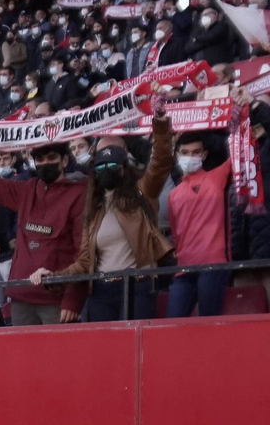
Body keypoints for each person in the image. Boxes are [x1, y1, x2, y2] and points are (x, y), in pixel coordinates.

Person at [28, 111, 174, 321]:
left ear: (124, 168)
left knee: (133, 349)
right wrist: (54, 277)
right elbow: (85, 261)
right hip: (101, 291)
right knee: (104, 351)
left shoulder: (142, 191)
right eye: (101, 167)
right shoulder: (94, 206)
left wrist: (160, 125)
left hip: (136, 286)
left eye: (113, 166)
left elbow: (160, 163)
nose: (107, 170)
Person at [0, 141, 89, 325]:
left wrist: (73, 300)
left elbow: (82, 252)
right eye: (40, 159)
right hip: (20, 294)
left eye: (52, 158)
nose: (46, 163)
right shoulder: (27, 189)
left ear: (64, 160)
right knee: (23, 353)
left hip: (56, 300)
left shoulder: (79, 194)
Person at [169, 127, 234, 317]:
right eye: (186, 152)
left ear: (205, 155)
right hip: (183, 267)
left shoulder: (217, 177)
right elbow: (175, 234)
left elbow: (241, 149)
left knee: (209, 322)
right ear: (177, 155)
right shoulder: (173, 195)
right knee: (171, 325)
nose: (191, 156)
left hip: (213, 264)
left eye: (196, 152)